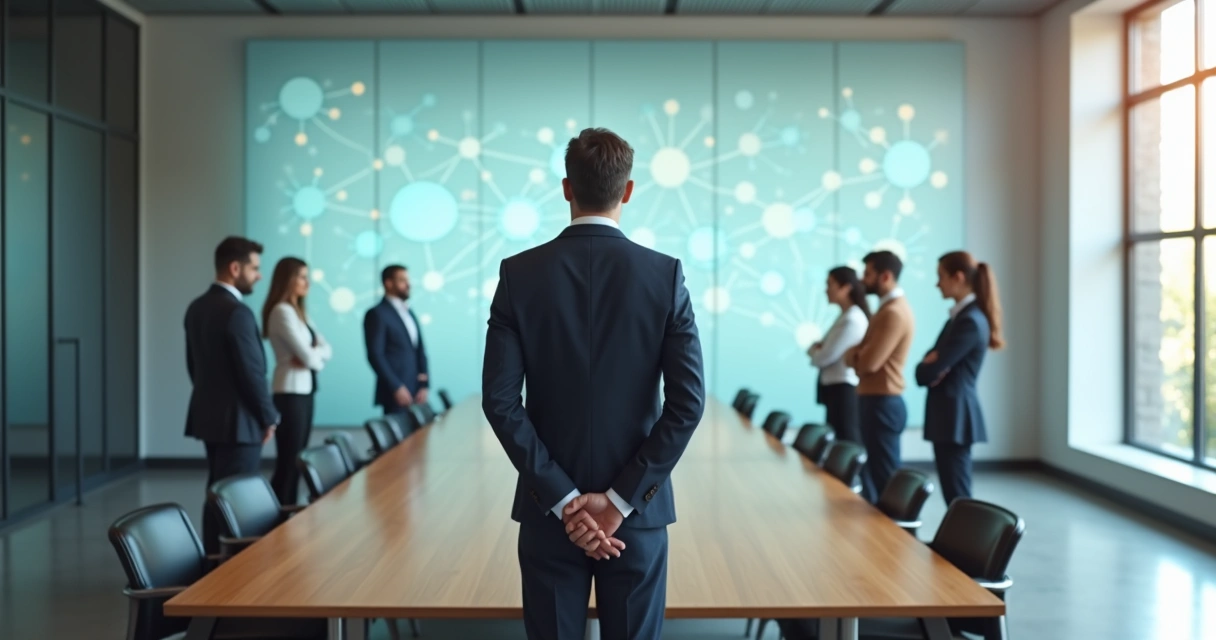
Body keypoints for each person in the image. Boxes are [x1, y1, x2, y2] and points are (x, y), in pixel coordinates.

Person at [482, 128, 705, 640]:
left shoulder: (518, 274)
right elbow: (687, 404)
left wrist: (564, 499)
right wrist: (621, 500)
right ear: (627, 190)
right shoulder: (665, 275)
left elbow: (500, 401)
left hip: (548, 512)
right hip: (638, 518)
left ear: (566, 188)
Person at [184, 236, 280, 555]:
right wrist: (269, 417)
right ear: (234, 268)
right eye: (255, 268)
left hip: (210, 417)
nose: (259, 275)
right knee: (235, 499)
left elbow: (193, 368)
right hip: (240, 422)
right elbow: (252, 374)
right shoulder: (237, 312)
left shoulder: (197, 307)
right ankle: (228, 572)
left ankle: (212, 559)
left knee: (217, 492)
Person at [915, 251, 1004, 506]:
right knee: (954, 492)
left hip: (955, 416)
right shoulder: (960, 318)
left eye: (940, 277)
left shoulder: (969, 321)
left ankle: (963, 545)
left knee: (958, 495)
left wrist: (930, 363)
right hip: (950, 414)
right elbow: (926, 371)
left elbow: (927, 372)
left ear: (959, 277)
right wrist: (929, 365)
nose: (937, 284)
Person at [844, 250, 914, 503]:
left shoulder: (893, 313)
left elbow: (868, 363)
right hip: (875, 400)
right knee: (875, 479)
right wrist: (855, 354)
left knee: (886, 482)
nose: (863, 280)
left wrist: (853, 356)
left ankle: (894, 542)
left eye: (868, 273)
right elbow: (857, 354)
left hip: (882, 403)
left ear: (885, 276)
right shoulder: (885, 310)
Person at [262, 257, 332, 506]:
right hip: (289, 392)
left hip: (305, 390)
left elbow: (325, 350)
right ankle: (277, 514)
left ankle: (286, 513)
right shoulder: (282, 312)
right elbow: (311, 358)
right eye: (302, 276)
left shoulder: (300, 314)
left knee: (297, 459)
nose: (307, 282)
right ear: (288, 279)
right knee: (289, 461)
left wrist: (314, 354)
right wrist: (313, 355)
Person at [808, 266, 870, 445]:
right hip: (836, 388)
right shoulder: (845, 317)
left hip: (844, 390)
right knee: (839, 443)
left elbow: (822, 357)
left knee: (846, 444)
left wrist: (815, 350)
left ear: (846, 287)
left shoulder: (852, 320)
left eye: (830, 284)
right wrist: (818, 349)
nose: (826, 290)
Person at [364, 265, 430, 419]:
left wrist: (424, 384)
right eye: (402, 280)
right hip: (396, 392)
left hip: (416, 390)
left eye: (408, 280)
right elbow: (375, 355)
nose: (408, 284)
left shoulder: (409, 312)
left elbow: (419, 350)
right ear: (388, 283)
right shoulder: (377, 314)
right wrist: (396, 387)